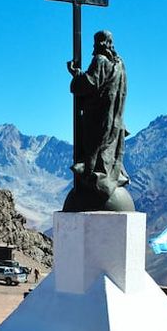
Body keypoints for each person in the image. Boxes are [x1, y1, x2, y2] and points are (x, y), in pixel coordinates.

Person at [64, 30, 131, 212]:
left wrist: (76, 74)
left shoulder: (100, 61)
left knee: (94, 149)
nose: (95, 47)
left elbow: (89, 83)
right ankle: (106, 176)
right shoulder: (120, 64)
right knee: (108, 149)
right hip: (115, 119)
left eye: (96, 43)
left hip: (98, 118)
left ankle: (95, 179)